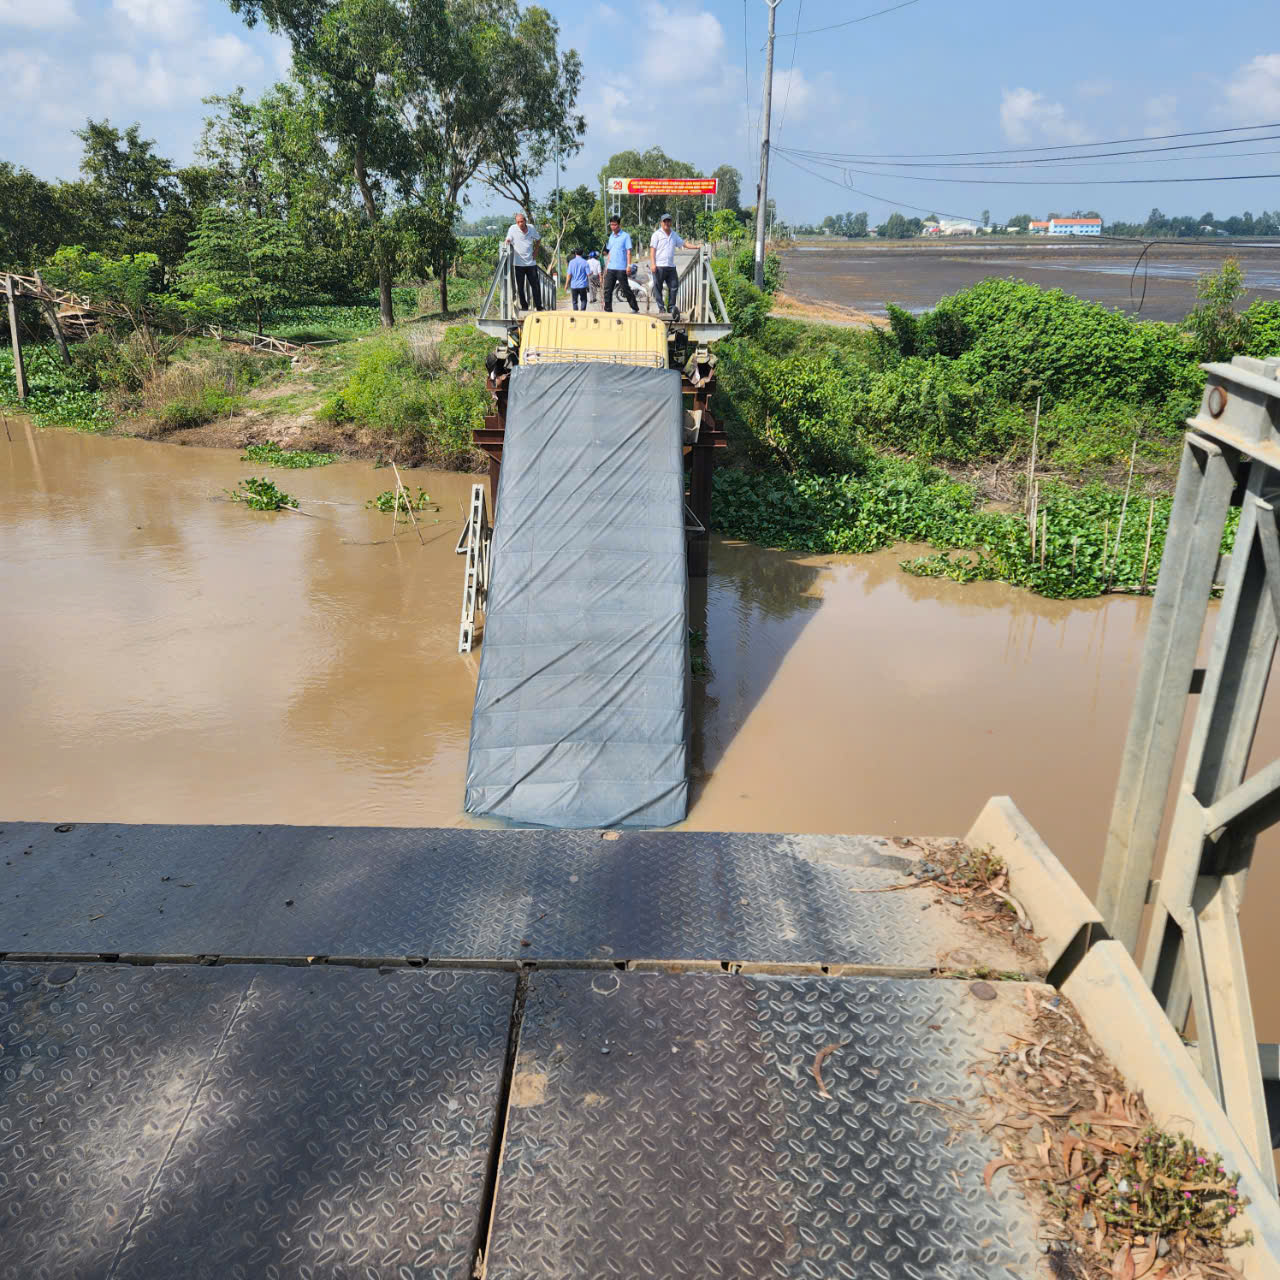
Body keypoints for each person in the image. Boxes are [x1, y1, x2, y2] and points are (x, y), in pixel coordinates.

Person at [504, 211, 541, 311]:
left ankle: (539, 306)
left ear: (525, 221)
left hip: (531, 263)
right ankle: (524, 306)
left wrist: (536, 251)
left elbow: (538, 239)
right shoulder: (513, 228)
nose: (520, 224)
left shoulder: (531, 228)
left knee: (535, 286)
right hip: (519, 263)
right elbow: (508, 238)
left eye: (521, 221)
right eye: (518, 222)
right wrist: (507, 242)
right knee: (520, 287)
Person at [649, 212, 684, 315]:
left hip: (670, 267)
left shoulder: (674, 234)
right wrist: (653, 264)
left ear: (671, 223)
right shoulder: (656, 235)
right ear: (661, 223)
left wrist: (696, 247)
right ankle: (661, 308)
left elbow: (683, 243)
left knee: (674, 286)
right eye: (665, 221)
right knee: (658, 287)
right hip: (659, 266)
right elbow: (652, 250)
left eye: (668, 221)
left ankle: (671, 308)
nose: (667, 223)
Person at [602, 215, 638, 314]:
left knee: (625, 289)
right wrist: (606, 267)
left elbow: (629, 252)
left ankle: (634, 307)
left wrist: (629, 266)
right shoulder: (611, 237)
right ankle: (608, 309)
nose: (613, 227)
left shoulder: (625, 236)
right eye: (611, 225)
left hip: (621, 268)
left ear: (619, 225)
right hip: (611, 267)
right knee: (607, 289)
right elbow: (610, 252)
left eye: (615, 225)